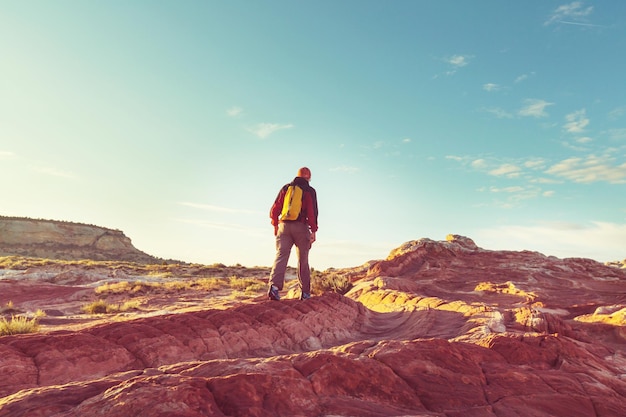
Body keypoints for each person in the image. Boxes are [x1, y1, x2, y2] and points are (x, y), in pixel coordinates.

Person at [268, 167, 318, 300]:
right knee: (303, 260)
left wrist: (275, 225)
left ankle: (274, 287)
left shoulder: (286, 188)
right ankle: (305, 293)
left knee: (281, 256)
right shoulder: (309, 190)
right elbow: (312, 212)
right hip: (300, 227)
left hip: (283, 226)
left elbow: (275, 209)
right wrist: (313, 230)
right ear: (308, 178)